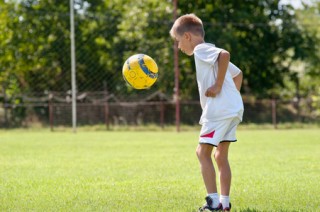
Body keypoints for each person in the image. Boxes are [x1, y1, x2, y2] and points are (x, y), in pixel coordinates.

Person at [169, 14, 244, 211]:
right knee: (220, 156)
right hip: (233, 109)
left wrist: (219, 87)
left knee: (202, 152)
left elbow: (224, 55)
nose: (178, 47)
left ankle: (212, 205)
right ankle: (224, 204)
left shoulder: (201, 50)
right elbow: (238, 74)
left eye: (178, 42)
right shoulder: (207, 50)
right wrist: (231, 97)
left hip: (218, 111)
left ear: (187, 37)